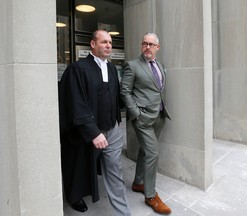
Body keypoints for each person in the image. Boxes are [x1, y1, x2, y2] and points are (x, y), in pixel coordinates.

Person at [58, 30, 131, 216]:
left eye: (110, 43)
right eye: (104, 42)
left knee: (115, 170)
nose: (108, 46)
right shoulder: (77, 68)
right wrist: (92, 132)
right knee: (79, 167)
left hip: (112, 129)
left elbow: (113, 97)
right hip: (87, 132)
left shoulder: (113, 68)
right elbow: (75, 102)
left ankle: (123, 213)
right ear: (92, 44)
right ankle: (75, 197)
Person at [120, 33, 171, 215]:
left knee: (145, 151)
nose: (147, 47)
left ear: (158, 47)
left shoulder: (160, 65)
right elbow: (125, 92)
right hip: (142, 118)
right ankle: (150, 195)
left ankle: (138, 182)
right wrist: (136, 114)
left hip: (159, 116)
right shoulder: (132, 65)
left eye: (151, 44)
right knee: (152, 153)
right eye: (144, 43)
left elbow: (159, 89)